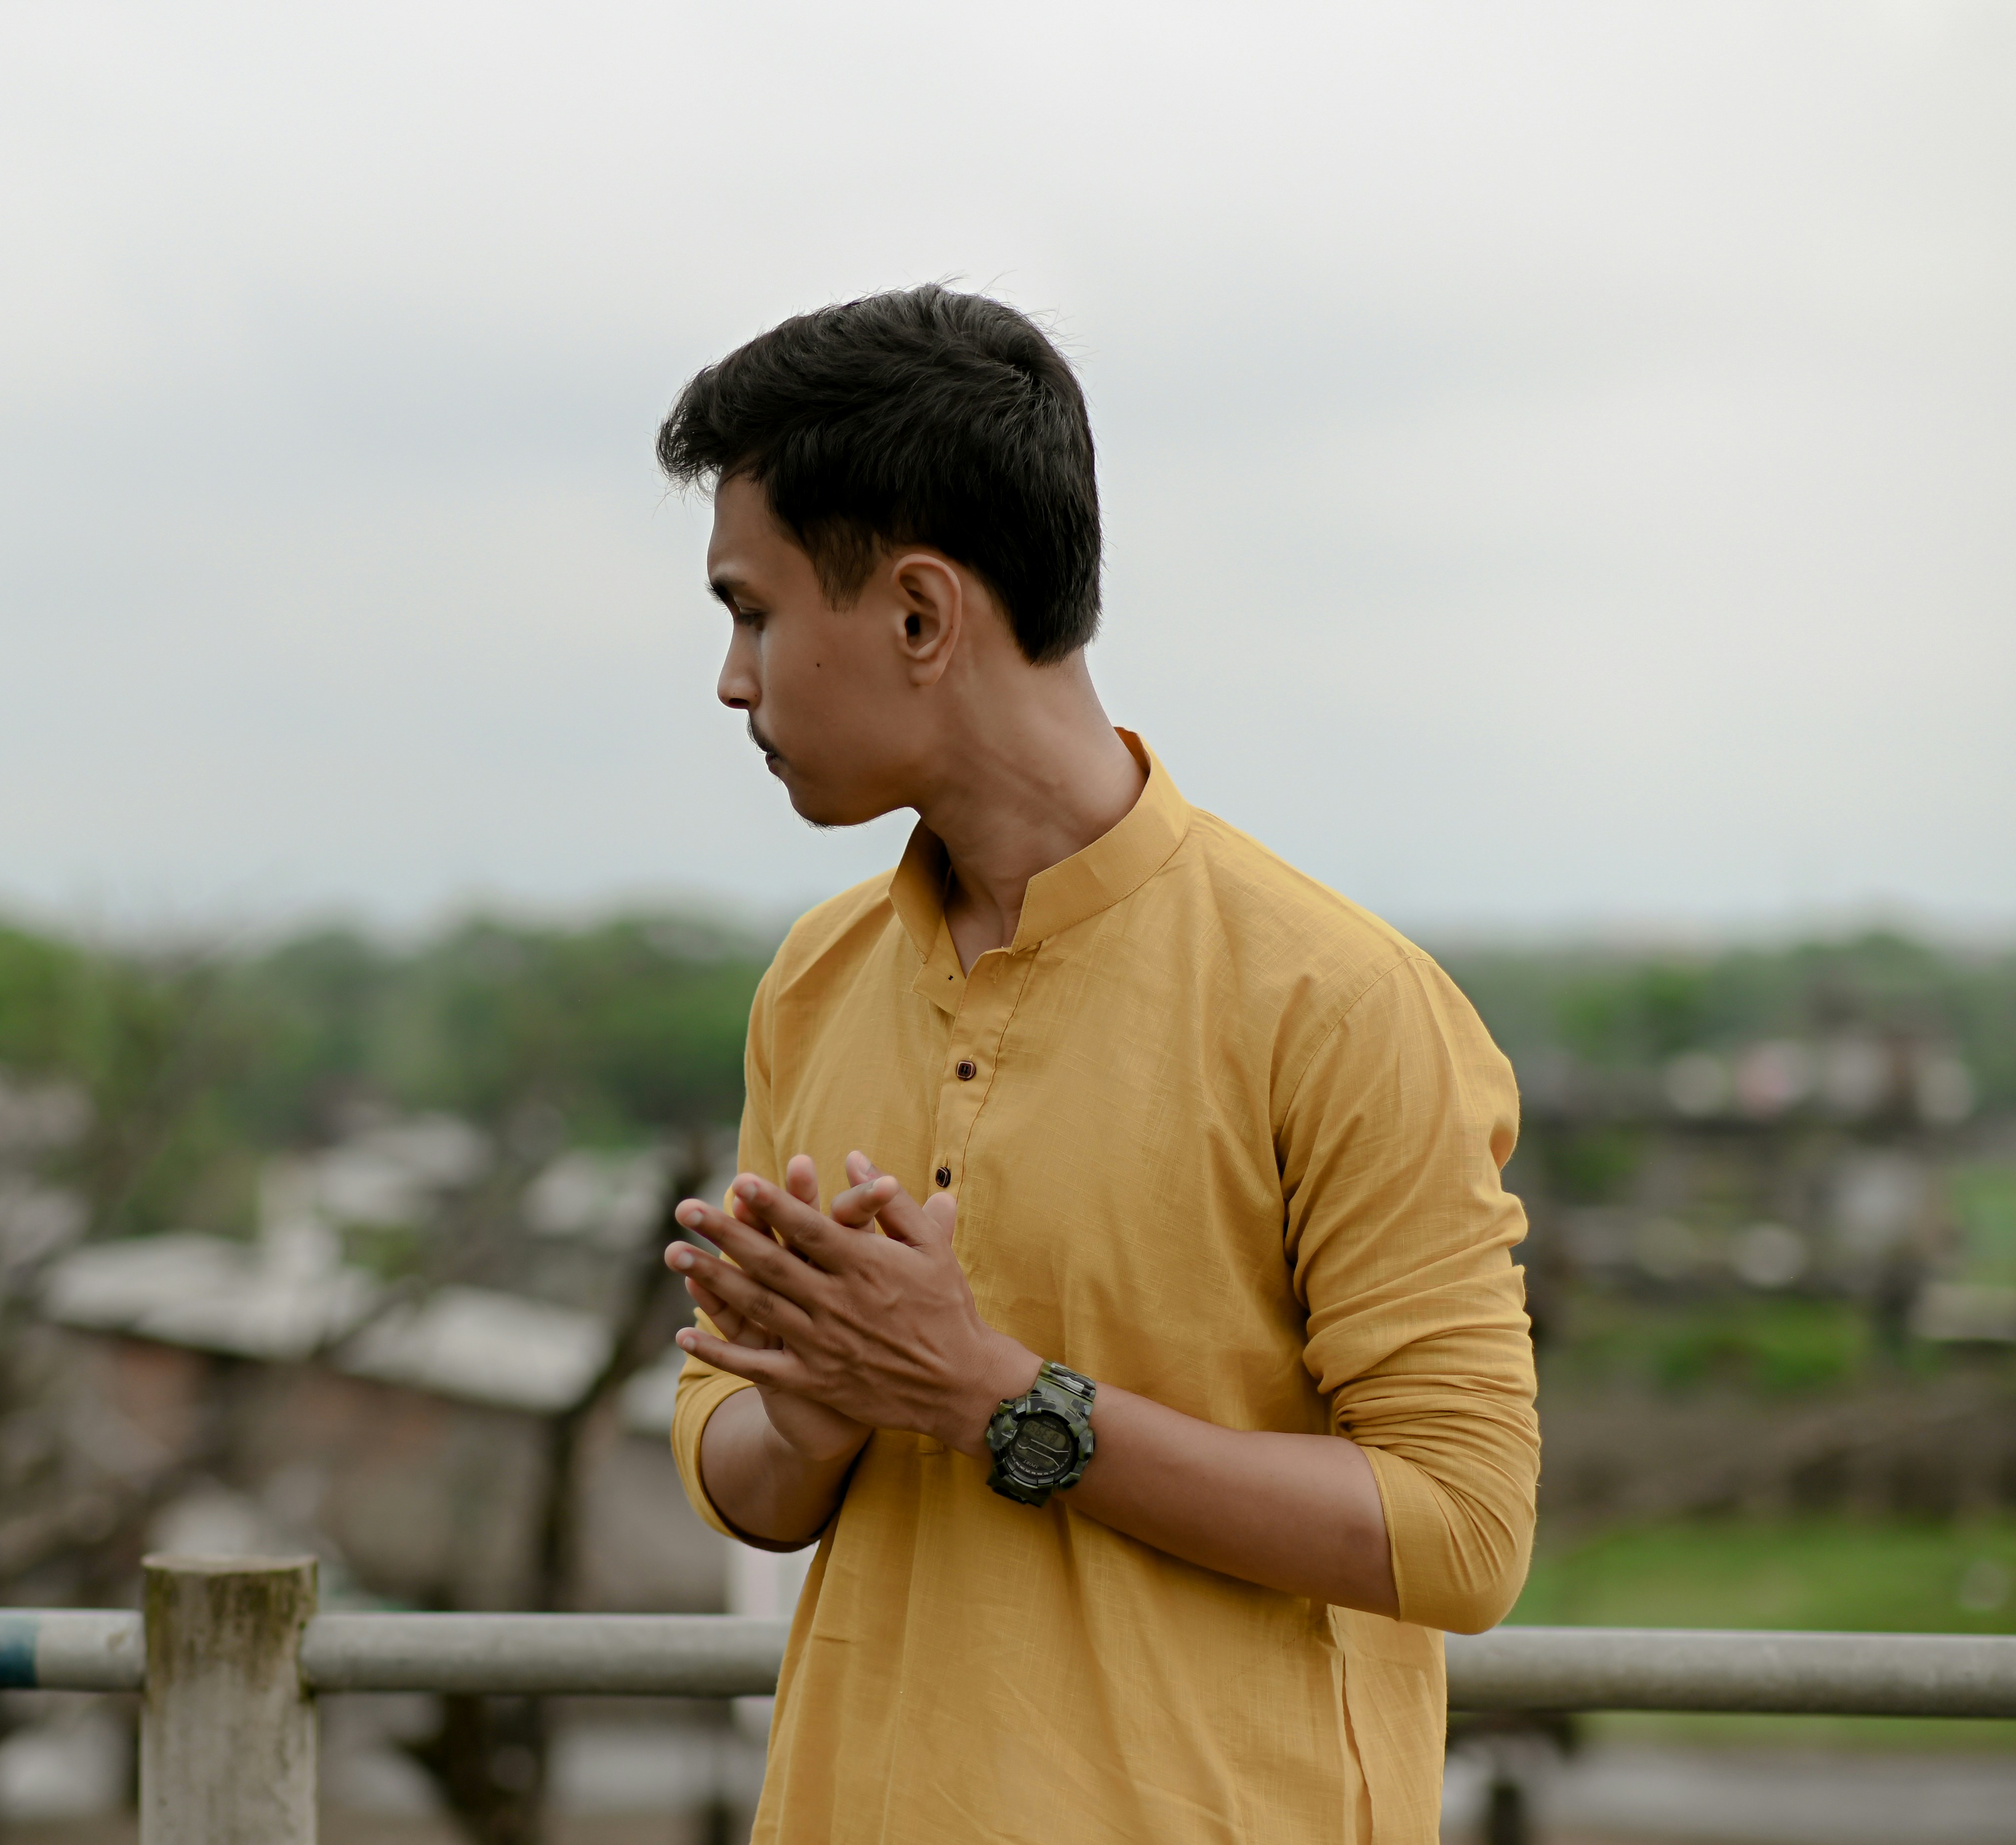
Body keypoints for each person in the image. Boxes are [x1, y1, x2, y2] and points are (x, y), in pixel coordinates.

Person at [655, 286, 1538, 1844]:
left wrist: (996, 1394)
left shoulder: (1338, 1001)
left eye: (754, 611)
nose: (734, 680)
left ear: (921, 616)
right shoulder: (817, 981)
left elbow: (1462, 1535)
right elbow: (745, 1464)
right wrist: (817, 1408)